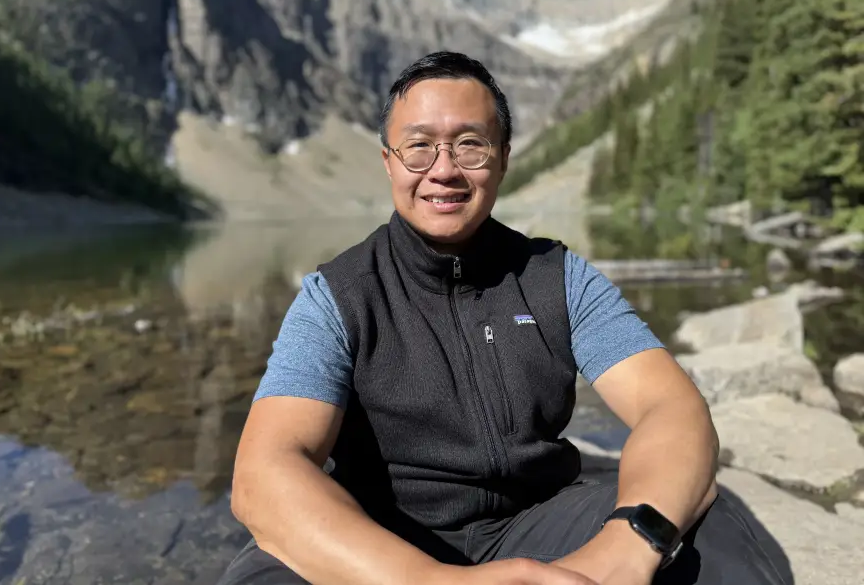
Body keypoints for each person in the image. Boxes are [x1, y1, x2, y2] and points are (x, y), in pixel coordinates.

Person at [219, 52, 790, 585]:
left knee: (709, 527)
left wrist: (625, 549)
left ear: (504, 157)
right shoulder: (337, 295)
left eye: (471, 145)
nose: (442, 170)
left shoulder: (558, 278)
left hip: (538, 519)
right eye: (418, 147)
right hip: (380, 536)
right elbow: (265, 474)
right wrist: (438, 583)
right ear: (388, 163)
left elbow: (671, 407)